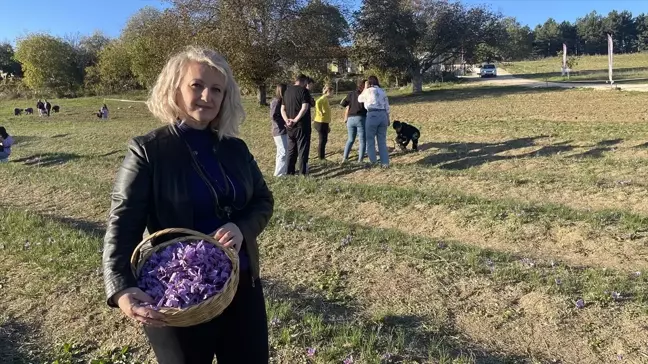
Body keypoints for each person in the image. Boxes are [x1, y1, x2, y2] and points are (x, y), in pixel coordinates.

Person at [102, 46, 274, 364]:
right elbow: (122, 221)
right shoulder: (148, 151)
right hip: (177, 295)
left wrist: (241, 227)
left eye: (217, 89)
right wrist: (121, 287)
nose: (207, 96)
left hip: (241, 286)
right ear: (175, 88)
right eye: (197, 85)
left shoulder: (236, 149)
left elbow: (263, 200)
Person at [281, 74, 313, 175]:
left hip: (290, 127)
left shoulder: (287, 91)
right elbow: (305, 107)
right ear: (304, 82)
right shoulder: (304, 91)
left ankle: (289, 173)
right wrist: (295, 120)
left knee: (291, 150)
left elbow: (282, 109)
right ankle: (302, 173)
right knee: (302, 150)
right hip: (301, 126)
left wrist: (287, 120)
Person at [358, 76, 390, 167]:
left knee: (370, 140)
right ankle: (385, 163)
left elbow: (359, 99)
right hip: (383, 115)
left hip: (372, 114)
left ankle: (373, 162)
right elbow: (387, 106)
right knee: (382, 141)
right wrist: (388, 118)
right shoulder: (382, 91)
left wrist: (365, 88)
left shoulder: (368, 91)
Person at [341, 79, 367, 163]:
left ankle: (345, 158)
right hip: (360, 117)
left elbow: (343, 103)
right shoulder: (365, 94)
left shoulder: (351, 93)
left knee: (350, 139)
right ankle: (360, 160)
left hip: (350, 119)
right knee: (362, 140)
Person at [270, 83, 288, 176]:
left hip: (284, 130)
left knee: (285, 150)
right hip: (279, 130)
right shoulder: (276, 101)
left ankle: (285, 171)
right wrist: (284, 123)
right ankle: (279, 174)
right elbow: (274, 116)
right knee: (283, 152)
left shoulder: (282, 101)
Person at [314, 85, 332, 160]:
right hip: (320, 122)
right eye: (332, 92)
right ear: (327, 92)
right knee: (322, 140)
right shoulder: (323, 98)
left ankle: (322, 155)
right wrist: (320, 111)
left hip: (324, 122)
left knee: (324, 140)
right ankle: (321, 157)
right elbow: (317, 102)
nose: (332, 94)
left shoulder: (326, 99)